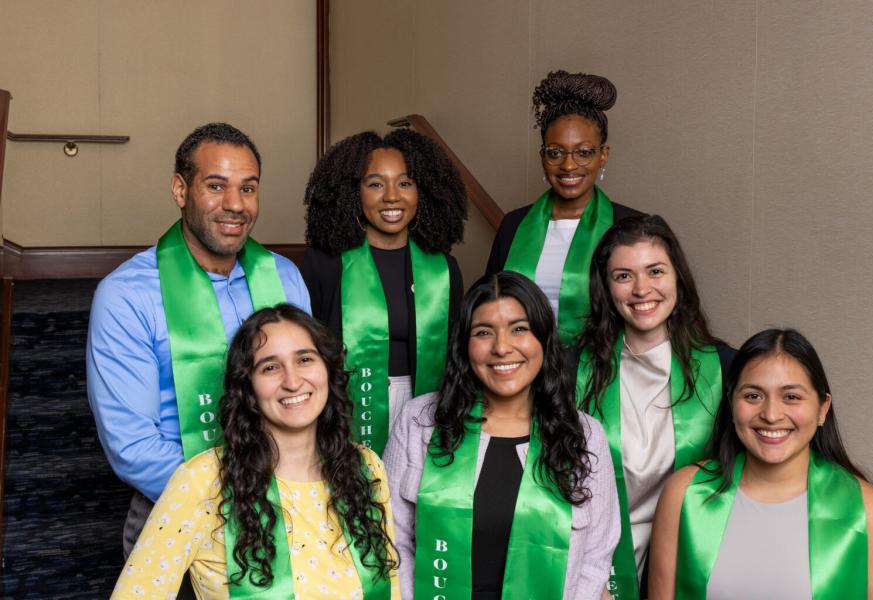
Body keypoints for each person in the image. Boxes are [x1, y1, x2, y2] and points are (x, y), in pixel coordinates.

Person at [86, 123, 312, 566]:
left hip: (291, 509)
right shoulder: (127, 295)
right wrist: (246, 496)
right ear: (180, 189)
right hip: (179, 508)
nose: (235, 204)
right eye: (216, 186)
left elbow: (308, 391)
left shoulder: (284, 277)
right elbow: (132, 446)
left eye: (248, 188)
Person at [112, 304, 399, 598]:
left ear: (328, 369)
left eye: (304, 359)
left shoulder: (366, 467)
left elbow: (392, 586)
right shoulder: (203, 481)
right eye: (270, 367)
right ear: (247, 385)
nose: (292, 381)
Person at [383, 271, 620, 600]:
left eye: (519, 329)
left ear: (543, 338)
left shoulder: (585, 435)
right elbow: (390, 541)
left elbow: (595, 559)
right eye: (483, 332)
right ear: (465, 345)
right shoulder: (418, 422)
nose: (502, 348)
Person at [649, 329, 873, 599]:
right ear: (731, 403)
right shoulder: (685, 495)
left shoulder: (869, 512)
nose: (770, 415)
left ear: (822, 408)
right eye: (753, 396)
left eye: (791, 397)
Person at [575, 214, 733, 599]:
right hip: (593, 565)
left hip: (692, 560)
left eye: (655, 271)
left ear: (678, 277)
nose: (641, 289)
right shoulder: (570, 371)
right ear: (606, 288)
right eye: (623, 276)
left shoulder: (727, 368)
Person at [301, 128, 467, 454]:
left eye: (405, 183)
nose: (392, 196)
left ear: (423, 191)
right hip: (347, 404)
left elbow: (457, 352)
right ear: (354, 192)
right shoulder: (327, 264)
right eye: (375, 184)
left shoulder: (444, 269)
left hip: (426, 403)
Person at [486, 69, 642, 345]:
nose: (568, 165)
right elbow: (489, 305)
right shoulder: (513, 225)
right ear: (542, 156)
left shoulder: (632, 227)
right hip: (521, 364)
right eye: (555, 152)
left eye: (584, 152)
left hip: (603, 366)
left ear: (603, 156)